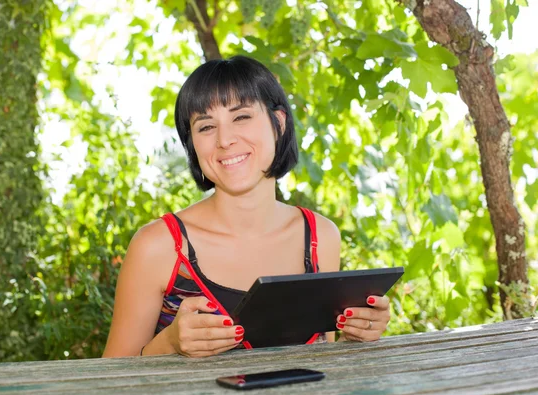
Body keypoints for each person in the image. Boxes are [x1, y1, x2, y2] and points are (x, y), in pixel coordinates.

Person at [102, 55, 391, 358]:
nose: (225, 140)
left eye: (241, 117)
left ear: (278, 122)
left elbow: (319, 359)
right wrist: (171, 343)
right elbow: (107, 380)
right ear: (193, 145)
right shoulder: (158, 246)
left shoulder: (321, 237)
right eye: (206, 126)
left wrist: (358, 333)